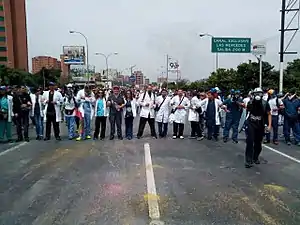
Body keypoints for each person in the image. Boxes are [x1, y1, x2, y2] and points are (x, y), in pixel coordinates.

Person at [245, 87, 271, 168]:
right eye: (256, 94)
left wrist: (269, 125)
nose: (257, 95)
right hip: (251, 123)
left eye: (259, 93)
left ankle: (255, 157)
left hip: (260, 124)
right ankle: (248, 161)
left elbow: (269, 114)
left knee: (258, 142)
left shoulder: (265, 103)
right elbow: (248, 110)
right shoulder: (250, 102)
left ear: (262, 94)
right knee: (250, 141)